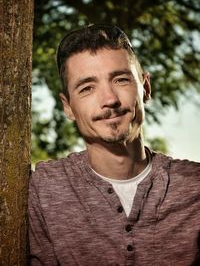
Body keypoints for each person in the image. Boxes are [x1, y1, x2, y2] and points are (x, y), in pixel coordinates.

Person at [28, 24, 200, 266]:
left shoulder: (195, 188)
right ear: (67, 106)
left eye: (120, 79)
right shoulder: (43, 188)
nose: (109, 100)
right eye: (87, 88)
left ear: (146, 88)